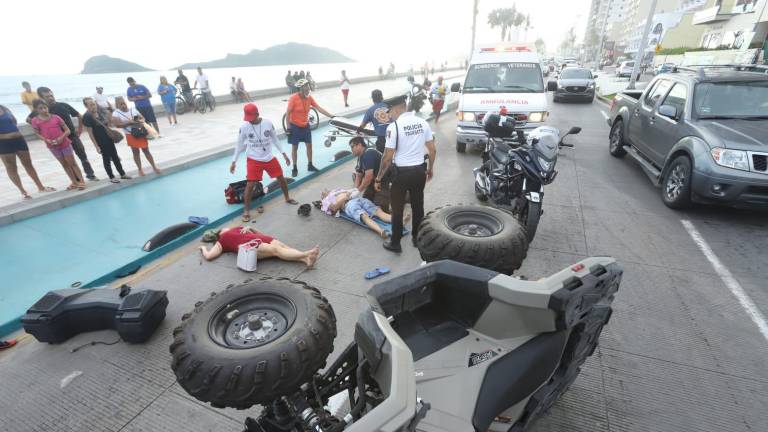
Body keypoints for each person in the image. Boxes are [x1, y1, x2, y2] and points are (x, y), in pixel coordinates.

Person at [375, 94, 436, 253]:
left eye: (389, 111)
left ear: (397, 108)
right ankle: (416, 238)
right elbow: (432, 149)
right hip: (419, 172)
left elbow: (387, 157)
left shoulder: (394, 127)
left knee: (397, 208)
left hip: (401, 174)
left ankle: (395, 243)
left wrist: (379, 178)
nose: (388, 114)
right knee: (418, 205)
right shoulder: (423, 122)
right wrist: (430, 169)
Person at [231, 103, 298, 222]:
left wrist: (284, 154)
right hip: (253, 159)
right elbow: (239, 145)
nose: (249, 121)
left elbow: (275, 139)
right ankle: (246, 210)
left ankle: (287, 198)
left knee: (281, 178)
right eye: (247, 118)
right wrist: (233, 161)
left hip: (269, 158)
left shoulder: (267, 123)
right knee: (250, 184)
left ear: (257, 114)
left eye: (251, 117)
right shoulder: (244, 127)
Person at [32, 87, 97, 181]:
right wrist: (45, 134)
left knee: (82, 156)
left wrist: (79, 129)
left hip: (72, 136)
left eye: (51, 95)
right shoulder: (43, 110)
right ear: (42, 98)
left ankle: (90, 174)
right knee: (68, 161)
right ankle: (76, 179)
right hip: (58, 141)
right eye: (47, 96)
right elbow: (32, 120)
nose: (51, 98)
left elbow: (79, 115)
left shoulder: (63, 105)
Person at [0, 104, 55, 199]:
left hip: (19, 140)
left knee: (28, 164)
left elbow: (14, 122)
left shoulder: (4, 108)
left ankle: (40, 187)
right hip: (4, 143)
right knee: (11, 167)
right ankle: (23, 191)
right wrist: (7, 136)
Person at [199, 226, 319, 268]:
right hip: (252, 246)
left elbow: (260, 234)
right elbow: (209, 256)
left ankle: (306, 259)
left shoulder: (235, 230)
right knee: (278, 250)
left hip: (258, 240)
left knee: (282, 248)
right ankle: (306, 254)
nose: (224, 228)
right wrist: (203, 248)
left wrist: (251, 228)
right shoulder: (222, 241)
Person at [30, 99, 86, 190]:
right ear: (36, 110)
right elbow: (37, 133)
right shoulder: (35, 121)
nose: (44, 110)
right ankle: (74, 182)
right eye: (41, 108)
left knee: (72, 163)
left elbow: (67, 130)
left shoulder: (56, 117)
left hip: (64, 143)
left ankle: (81, 181)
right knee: (64, 164)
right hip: (52, 146)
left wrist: (61, 138)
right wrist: (46, 140)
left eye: (45, 107)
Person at [285, 79, 333, 177]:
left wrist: (331, 116)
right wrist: (288, 128)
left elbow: (318, 108)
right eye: (306, 88)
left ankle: (310, 165)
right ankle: (294, 167)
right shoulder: (293, 98)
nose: (307, 90)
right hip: (295, 126)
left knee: (309, 146)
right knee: (295, 147)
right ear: (301, 89)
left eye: (308, 88)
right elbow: (288, 114)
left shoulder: (309, 98)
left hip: (305, 126)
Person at [320, 188, 407, 239]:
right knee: (364, 216)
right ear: (323, 197)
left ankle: (400, 221)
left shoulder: (337, 190)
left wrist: (350, 192)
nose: (325, 190)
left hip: (358, 199)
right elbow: (334, 208)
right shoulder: (326, 200)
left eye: (326, 190)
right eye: (323, 193)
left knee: (378, 212)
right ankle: (381, 231)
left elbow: (354, 190)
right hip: (349, 204)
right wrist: (345, 198)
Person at [82, 97, 130, 183]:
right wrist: (96, 146)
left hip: (108, 137)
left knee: (115, 156)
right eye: (91, 105)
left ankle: (122, 174)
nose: (94, 106)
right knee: (106, 158)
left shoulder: (100, 112)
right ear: (86, 106)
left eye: (94, 104)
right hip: (100, 140)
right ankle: (111, 177)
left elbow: (109, 122)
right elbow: (90, 133)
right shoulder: (87, 117)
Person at [112, 96, 160, 176]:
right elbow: (117, 125)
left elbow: (143, 118)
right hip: (130, 134)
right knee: (135, 152)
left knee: (146, 150)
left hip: (139, 132)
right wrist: (129, 122)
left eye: (124, 103)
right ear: (117, 105)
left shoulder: (132, 109)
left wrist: (138, 121)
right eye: (120, 104)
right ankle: (140, 169)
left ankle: (154, 166)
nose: (123, 105)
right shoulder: (116, 113)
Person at [349, 136, 390, 211]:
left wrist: (359, 190)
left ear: (360, 145)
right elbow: (359, 175)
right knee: (365, 203)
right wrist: (354, 190)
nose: (351, 150)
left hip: (386, 180)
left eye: (352, 147)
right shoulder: (360, 157)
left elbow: (368, 177)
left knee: (380, 207)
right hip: (375, 181)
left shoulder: (369, 153)